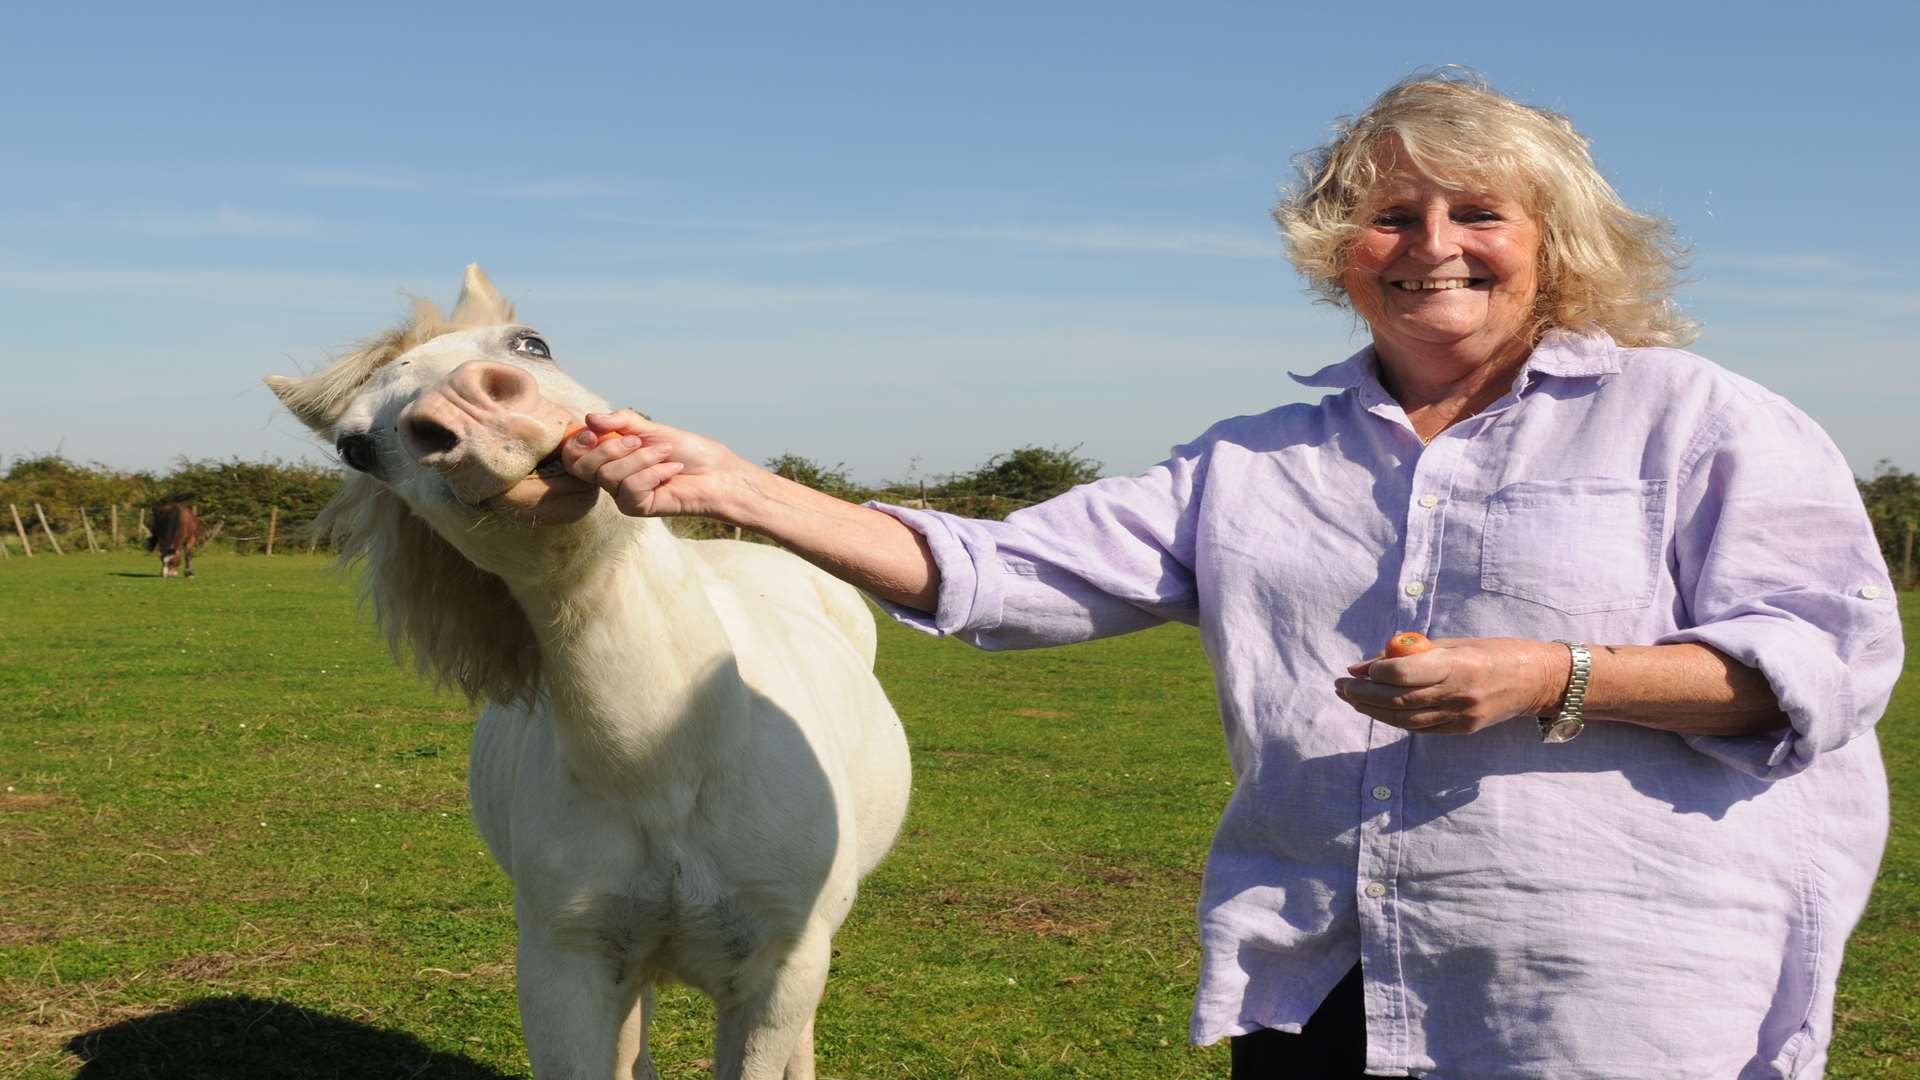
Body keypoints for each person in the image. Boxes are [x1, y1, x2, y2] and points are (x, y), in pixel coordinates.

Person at [561, 73, 1903, 1078]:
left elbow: (1826, 661)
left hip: (1605, 989)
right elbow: (1000, 568)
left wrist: (1558, 676)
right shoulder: (1252, 463)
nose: (1433, 240)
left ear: (1554, 243)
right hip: (1332, 980)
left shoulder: (1698, 417)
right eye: (1390, 214)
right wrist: (737, 486)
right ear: (1340, 254)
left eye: (1478, 212)